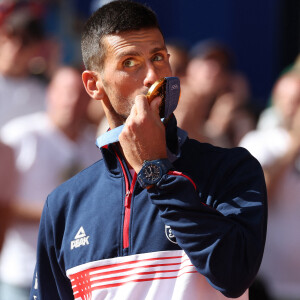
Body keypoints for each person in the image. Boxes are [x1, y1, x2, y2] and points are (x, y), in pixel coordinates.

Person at [30, 1, 267, 299]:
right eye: (129, 62)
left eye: (158, 57)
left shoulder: (231, 169)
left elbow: (234, 276)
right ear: (93, 85)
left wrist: (155, 172)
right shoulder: (64, 205)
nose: (153, 77)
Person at [0, 66, 100, 300]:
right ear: (50, 93)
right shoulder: (19, 135)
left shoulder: (95, 148)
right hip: (21, 272)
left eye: (80, 93)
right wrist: (54, 215)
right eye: (66, 91)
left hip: (73, 277)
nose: (72, 100)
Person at [240, 70, 300, 300]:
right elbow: (260, 196)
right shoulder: (259, 141)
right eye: (293, 100)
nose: (297, 108)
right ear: (277, 100)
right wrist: (294, 145)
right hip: (266, 284)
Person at [0, 1, 47, 128]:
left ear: (36, 50)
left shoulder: (42, 95)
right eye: (10, 35)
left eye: (25, 42)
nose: (15, 47)